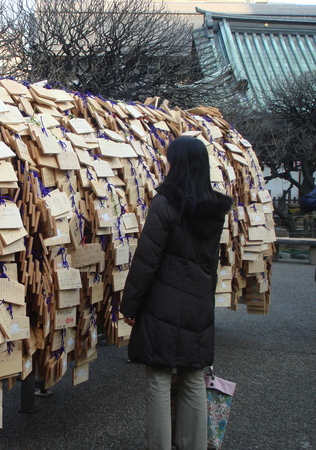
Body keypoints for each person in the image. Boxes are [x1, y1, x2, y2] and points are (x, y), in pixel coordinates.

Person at [120, 136, 233, 450]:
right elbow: (210, 263)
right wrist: (205, 301)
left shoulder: (166, 202)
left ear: (179, 163)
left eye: (168, 158)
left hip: (162, 303)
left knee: (158, 376)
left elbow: (147, 259)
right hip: (198, 303)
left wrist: (130, 305)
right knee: (193, 377)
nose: (165, 163)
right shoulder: (214, 209)